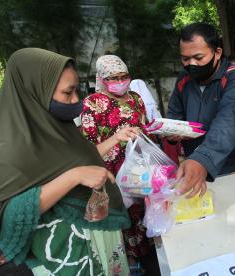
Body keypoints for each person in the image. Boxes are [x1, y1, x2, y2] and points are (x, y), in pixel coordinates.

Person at [0, 48, 130, 275]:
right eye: (67, 93)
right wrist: (74, 177)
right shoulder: (7, 149)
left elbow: (84, 159)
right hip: (64, 255)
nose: (75, 101)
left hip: (99, 243)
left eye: (76, 91)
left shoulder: (56, 127)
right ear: (35, 91)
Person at [167, 23, 235, 197]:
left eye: (198, 57)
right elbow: (175, 113)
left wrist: (202, 159)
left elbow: (228, 123)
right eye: (185, 59)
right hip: (198, 164)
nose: (192, 64)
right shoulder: (184, 79)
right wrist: (172, 131)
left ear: (217, 53)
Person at [80, 55, 149, 275]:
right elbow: (89, 151)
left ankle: (147, 253)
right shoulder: (93, 104)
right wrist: (117, 138)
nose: (120, 81)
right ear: (101, 78)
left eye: (123, 76)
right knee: (121, 214)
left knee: (142, 209)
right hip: (111, 174)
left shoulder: (136, 99)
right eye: (113, 78)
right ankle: (127, 260)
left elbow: (146, 128)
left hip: (139, 167)